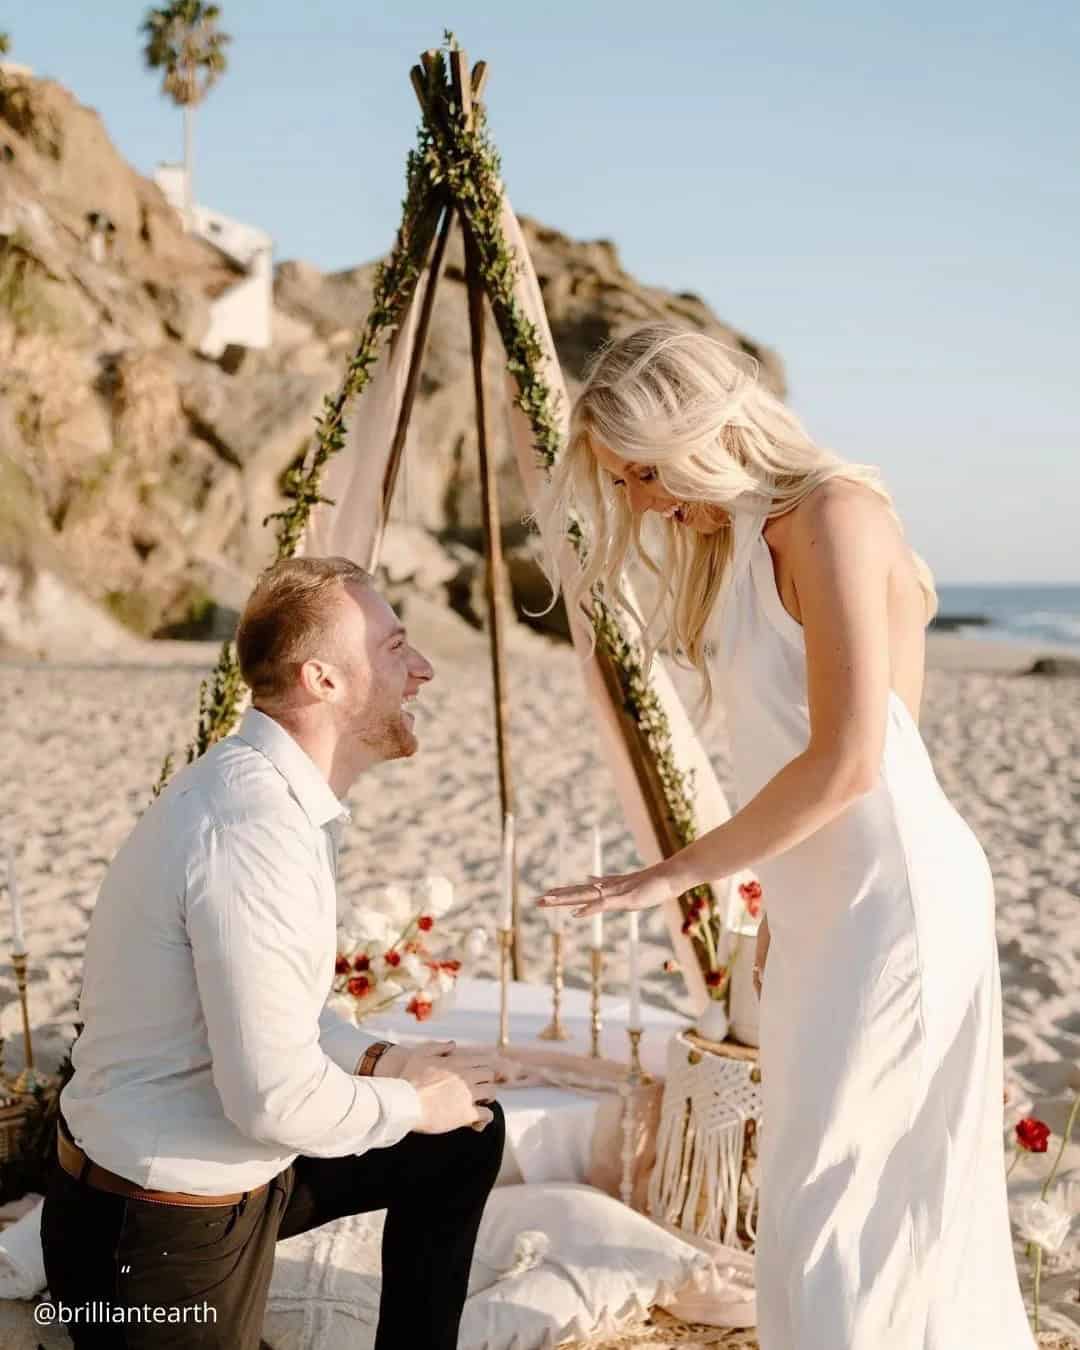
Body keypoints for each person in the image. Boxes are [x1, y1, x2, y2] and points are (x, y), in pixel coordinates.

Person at [535, 323, 1035, 1349]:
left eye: (639, 472)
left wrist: (678, 873)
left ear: (695, 430)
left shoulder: (835, 517)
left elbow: (864, 757)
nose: (636, 501)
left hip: (897, 902)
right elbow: (819, 758)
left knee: (859, 1204)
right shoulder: (745, 543)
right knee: (816, 1193)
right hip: (826, 905)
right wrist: (782, 910)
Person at [41, 556, 505, 1350]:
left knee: (465, 1135)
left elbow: (288, 1018)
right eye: (396, 648)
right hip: (152, 1239)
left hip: (235, 1179)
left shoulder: (275, 796)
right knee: (433, 1117)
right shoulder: (251, 830)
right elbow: (273, 1102)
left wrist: (384, 1064)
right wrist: (412, 1103)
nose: (423, 669)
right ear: (323, 679)